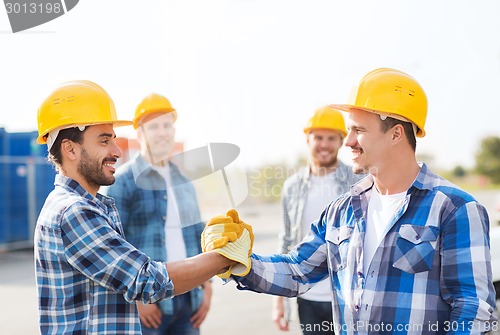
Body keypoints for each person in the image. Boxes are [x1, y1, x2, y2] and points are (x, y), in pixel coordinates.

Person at [203, 68, 497, 334]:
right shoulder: (343, 210)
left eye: (359, 130)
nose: (348, 142)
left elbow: (473, 310)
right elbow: (298, 269)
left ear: (396, 134)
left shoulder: (454, 208)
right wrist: (239, 261)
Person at [33, 80, 246, 335]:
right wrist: (226, 256)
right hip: (153, 300)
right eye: (104, 141)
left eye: (113, 139)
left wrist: (206, 280)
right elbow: (144, 280)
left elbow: (191, 233)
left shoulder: (91, 204)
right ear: (70, 149)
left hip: (183, 298)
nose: (117, 151)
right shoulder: (74, 212)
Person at [105, 93, 211, 335]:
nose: (162, 132)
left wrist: (208, 287)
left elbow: (199, 236)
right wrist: (135, 299)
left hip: (188, 301)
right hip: (147, 303)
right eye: (154, 127)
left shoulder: (185, 182)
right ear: (140, 134)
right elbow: (113, 246)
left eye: (167, 125)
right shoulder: (122, 182)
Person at [273, 106, 362, 334]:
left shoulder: (359, 180)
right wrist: (279, 300)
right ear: (307, 139)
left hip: (350, 295)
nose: (324, 144)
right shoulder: (292, 187)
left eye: (332, 138)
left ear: (342, 140)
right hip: (308, 296)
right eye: (319, 137)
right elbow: (286, 241)